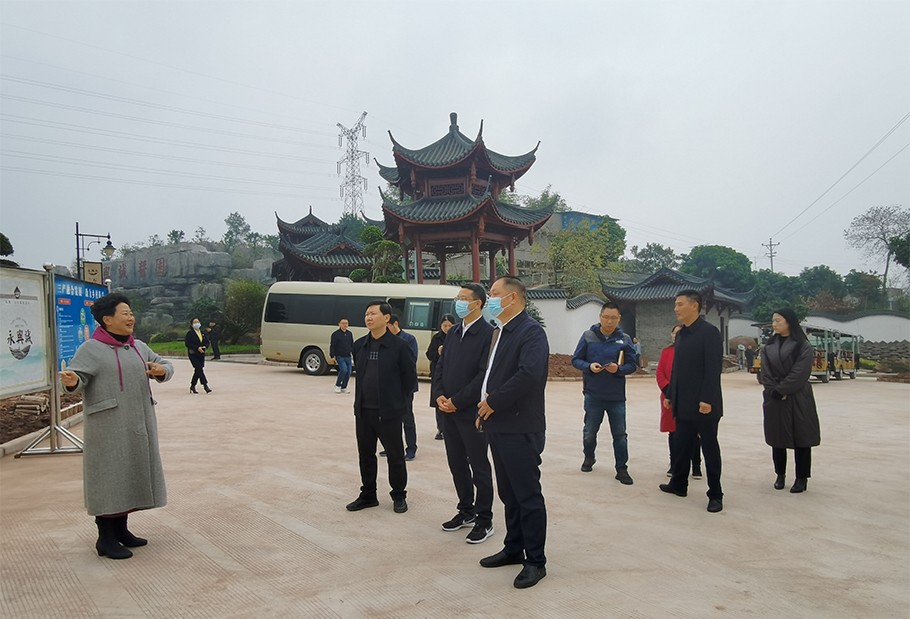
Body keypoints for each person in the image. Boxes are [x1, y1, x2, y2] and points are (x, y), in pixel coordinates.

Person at [59, 293, 173, 560]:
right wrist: (72, 379)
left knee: (129, 474)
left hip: (138, 422)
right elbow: (78, 379)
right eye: (124, 313)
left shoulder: (138, 346)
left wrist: (160, 370)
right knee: (109, 479)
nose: (130, 317)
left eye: (131, 312)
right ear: (106, 320)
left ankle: (122, 531)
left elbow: (165, 365)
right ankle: (105, 538)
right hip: (107, 427)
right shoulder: (91, 349)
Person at [476, 276, 550, 589]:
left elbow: (529, 376)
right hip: (498, 424)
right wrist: (484, 407)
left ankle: (535, 560)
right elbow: (493, 374)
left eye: (493, 294)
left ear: (512, 298)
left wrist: (493, 401)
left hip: (520, 426)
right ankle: (513, 548)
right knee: (509, 494)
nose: (489, 299)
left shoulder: (531, 332)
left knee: (527, 495)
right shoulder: (501, 331)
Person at [433, 286, 494, 544]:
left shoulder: (488, 334)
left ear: (477, 304)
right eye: (457, 299)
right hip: (448, 411)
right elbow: (441, 366)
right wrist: (439, 396)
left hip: (472, 412)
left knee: (479, 465)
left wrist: (458, 401)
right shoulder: (454, 332)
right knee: (456, 462)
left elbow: (484, 374)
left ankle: (484, 519)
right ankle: (465, 510)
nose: (458, 303)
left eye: (463, 299)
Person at [346, 300, 418, 514]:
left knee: (395, 456)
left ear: (387, 318)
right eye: (366, 314)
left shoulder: (400, 347)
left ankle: (398, 496)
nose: (368, 317)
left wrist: (398, 405)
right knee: (365, 455)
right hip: (363, 411)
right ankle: (368, 494)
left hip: (389, 413)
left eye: (373, 314)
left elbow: (409, 380)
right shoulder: (359, 345)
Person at [659, 289, 725, 513]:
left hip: (704, 405)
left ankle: (715, 493)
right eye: (675, 305)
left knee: (709, 449)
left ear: (694, 305)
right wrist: (670, 395)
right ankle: (679, 484)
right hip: (683, 402)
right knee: (681, 445)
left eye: (679, 304)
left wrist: (707, 399)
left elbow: (713, 369)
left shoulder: (709, 333)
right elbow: (677, 369)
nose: (676, 309)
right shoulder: (683, 334)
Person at [571, 301, 638, 484]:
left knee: (620, 434)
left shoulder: (624, 339)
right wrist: (589, 366)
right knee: (589, 432)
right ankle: (589, 457)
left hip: (616, 396)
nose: (609, 321)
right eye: (606, 317)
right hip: (593, 394)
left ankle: (621, 469)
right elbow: (576, 360)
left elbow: (633, 364)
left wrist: (619, 369)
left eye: (613, 318)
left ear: (619, 319)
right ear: (600, 317)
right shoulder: (588, 336)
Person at [760, 308, 821, 493]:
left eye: (778, 320)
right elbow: (765, 372)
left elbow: (801, 372)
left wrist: (783, 389)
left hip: (798, 397)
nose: (775, 324)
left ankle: (802, 478)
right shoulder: (768, 347)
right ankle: (780, 475)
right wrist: (774, 390)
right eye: (773, 320)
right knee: (777, 438)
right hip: (775, 398)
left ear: (789, 322)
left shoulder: (802, 345)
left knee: (802, 438)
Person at [656, 324, 702, 479]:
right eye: (674, 333)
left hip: (688, 397)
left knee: (693, 432)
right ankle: (674, 463)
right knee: (673, 432)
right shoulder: (666, 352)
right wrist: (668, 391)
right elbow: (660, 373)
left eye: (680, 333)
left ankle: (696, 465)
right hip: (669, 397)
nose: (677, 336)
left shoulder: (692, 352)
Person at [388, 314, 419, 460]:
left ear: (395, 323)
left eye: (388, 326)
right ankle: (391, 447)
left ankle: (411, 448)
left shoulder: (409, 339)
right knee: (389, 419)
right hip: (389, 386)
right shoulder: (386, 339)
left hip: (405, 386)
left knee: (407, 418)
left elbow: (411, 362)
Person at [427, 314, 457, 440]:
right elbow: (429, 354)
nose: (447, 328)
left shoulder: (456, 336)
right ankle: (440, 429)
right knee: (438, 402)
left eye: (450, 326)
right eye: (445, 326)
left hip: (451, 374)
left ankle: (450, 427)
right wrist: (438, 353)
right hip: (437, 374)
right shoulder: (436, 338)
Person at [185, 317, 212, 394]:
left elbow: (207, 342)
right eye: (195, 322)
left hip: (201, 353)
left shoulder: (202, 332)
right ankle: (205, 385)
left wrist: (204, 347)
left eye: (198, 322)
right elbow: (187, 343)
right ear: (192, 324)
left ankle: (192, 385)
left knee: (198, 370)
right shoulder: (190, 333)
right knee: (199, 368)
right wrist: (197, 348)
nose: (197, 323)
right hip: (193, 353)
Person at [330, 318, 354, 394]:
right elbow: (332, 345)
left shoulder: (349, 333)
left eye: (346, 323)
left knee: (349, 372)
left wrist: (353, 353)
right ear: (339, 324)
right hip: (340, 356)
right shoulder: (335, 334)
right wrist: (332, 356)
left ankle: (344, 387)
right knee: (344, 370)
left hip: (348, 356)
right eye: (343, 323)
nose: (345, 325)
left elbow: (352, 344)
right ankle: (338, 385)